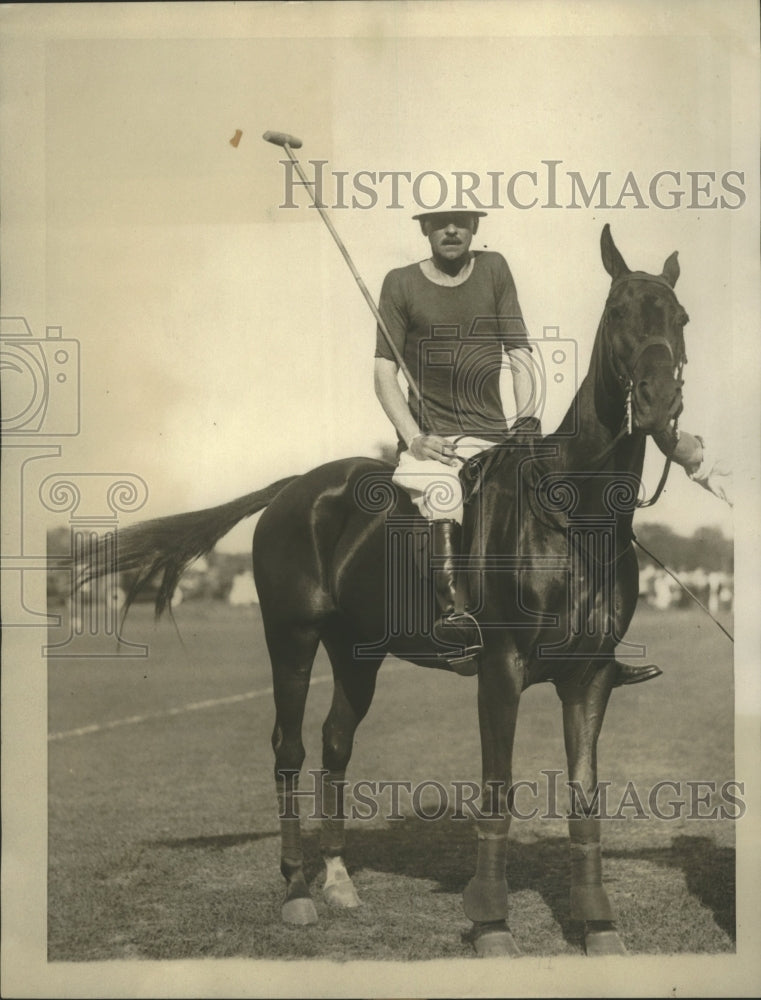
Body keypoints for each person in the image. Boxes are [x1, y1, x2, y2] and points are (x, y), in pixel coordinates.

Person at [373, 210, 654, 686]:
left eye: (461, 221)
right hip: (435, 447)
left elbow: (519, 352)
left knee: (562, 498)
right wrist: (415, 437)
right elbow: (384, 376)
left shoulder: (494, 268)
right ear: (424, 228)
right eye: (440, 222)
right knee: (445, 492)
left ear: (475, 227)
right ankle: (454, 617)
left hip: (496, 440)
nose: (452, 230)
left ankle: (593, 644)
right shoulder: (399, 284)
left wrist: (527, 417)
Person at [653, 426, 733, 507]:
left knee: (713, 484)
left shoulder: (707, 467)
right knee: (713, 484)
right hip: (704, 467)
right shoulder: (708, 463)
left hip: (703, 469)